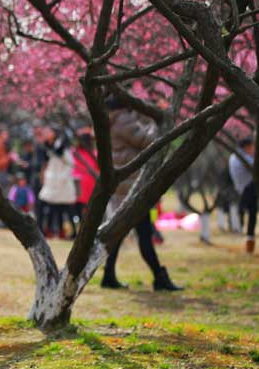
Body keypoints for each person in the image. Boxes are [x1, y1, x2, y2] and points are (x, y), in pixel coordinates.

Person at [100, 97, 181, 291]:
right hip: (133, 187)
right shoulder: (124, 120)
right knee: (144, 233)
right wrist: (159, 121)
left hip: (123, 184)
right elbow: (148, 140)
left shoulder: (112, 120)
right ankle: (159, 277)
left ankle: (108, 275)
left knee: (119, 233)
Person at [38, 130, 77, 239]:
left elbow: (71, 165)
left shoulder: (63, 150)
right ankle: (49, 231)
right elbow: (50, 164)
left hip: (62, 185)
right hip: (52, 183)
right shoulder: (49, 149)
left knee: (66, 210)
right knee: (50, 208)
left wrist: (61, 178)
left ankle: (71, 233)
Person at [229, 136, 257, 253]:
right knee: (252, 213)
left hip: (240, 187)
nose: (253, 149)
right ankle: (249, 237)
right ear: (246, 147)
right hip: (248, 187)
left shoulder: (233, 156)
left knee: (250, 213)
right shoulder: (244, 157)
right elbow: (257, 166)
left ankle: (241, 225)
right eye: (252, 147)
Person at [73, 129, 99, 219]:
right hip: (92, 185)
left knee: (81, 213)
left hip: (78, 186)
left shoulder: (74, 153)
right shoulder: (95, 154)